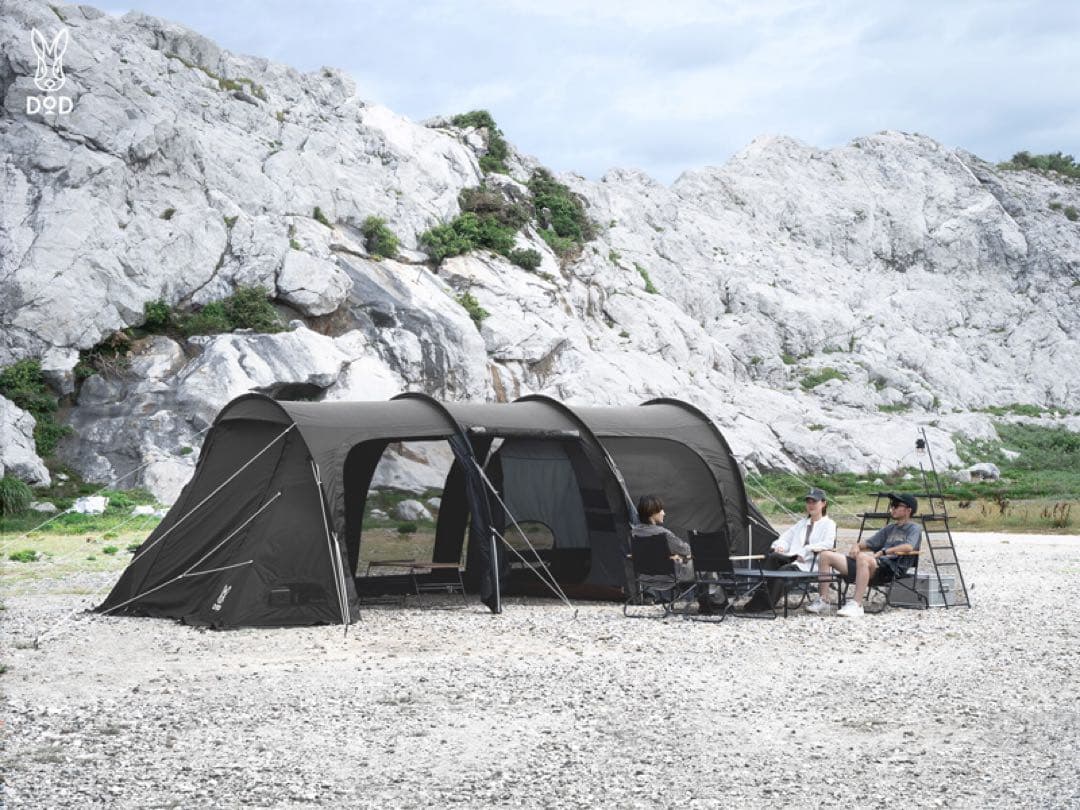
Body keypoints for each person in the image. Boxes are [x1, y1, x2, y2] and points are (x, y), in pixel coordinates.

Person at [807, 492, 922, 617]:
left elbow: (909, 547)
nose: (892, 508)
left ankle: (857, 604)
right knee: (825, 555)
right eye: (892, 505)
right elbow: (868, 544)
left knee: (862, 557)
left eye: (896, 505)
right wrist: (856, 546)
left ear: (908, 510)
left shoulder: (914, 528)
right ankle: (824, 600)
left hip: (890, 569)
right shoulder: (889, 528)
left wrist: (884, 552)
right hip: (872, 565)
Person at [742, 487, 836, 612]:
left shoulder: (829, 524)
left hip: (810, 563)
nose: (811, 505)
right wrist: (780, 546)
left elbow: (828, 544)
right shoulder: (802, 523)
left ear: (823, 503)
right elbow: (786, 538)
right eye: (808, 502)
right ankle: (758, 600)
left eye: (814, 502)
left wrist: (805, 550)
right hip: (792, 559)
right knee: (772, 558)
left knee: (784, 571)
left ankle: (765, 604)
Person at [633, 494, 725, 614]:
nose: (664, 513)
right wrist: (680, 556)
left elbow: (643, 556)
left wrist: (672, 557)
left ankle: (709, 601)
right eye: (661, 510)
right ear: (652, 513)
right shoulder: (663, 534)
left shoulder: (634, 532)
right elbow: (686, 550)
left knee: (698, 565)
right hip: (670, 576)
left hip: (645, 577)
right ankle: (717, 602)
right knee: (707, 564)